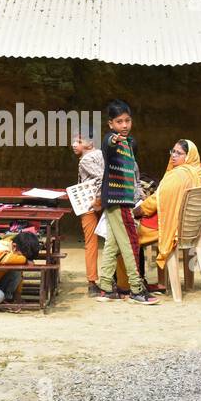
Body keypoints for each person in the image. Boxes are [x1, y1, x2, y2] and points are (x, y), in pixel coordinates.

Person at [95, 99, 158, 305]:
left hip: (123, 199)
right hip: (117, 199)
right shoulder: (109, 141)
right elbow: (109, 144)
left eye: (127, 121)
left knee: (113, 244)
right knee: (131, 242)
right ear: (111, 124)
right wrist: (114, 140)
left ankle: (104, 287)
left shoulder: (132, 143)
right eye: (119, 121)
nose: (124, 125)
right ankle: (137, 289)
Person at [133, 139, 201, 287]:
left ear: (188, 156)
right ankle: (163, 283)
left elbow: (157, 200)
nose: (173, 156)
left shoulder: (177, 175)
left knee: (129, 232)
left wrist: (137, 211)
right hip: (194, 227)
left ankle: (135, 283)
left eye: (179, 153)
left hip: (174, 228)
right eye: (172, 151)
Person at [72, 126, 128, 297]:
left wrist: (98, 199)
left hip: (90, 203)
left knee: (91, 242)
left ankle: (92, 282)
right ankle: (116, 279)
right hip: (107, 200)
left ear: (90, 143)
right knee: (113, 240)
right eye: (73, 141)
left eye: (79, 141)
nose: (74, 144)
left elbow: (103, 176)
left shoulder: (86, 160)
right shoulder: (104, 154)